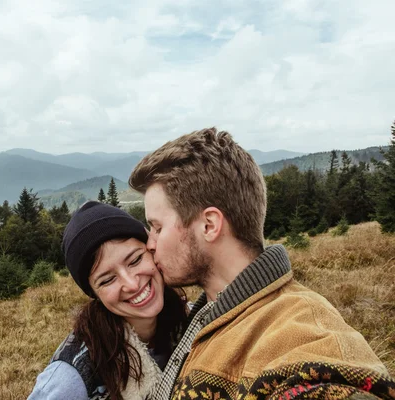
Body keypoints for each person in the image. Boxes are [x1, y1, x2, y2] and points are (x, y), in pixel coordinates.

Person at [128, 127, 395, 400]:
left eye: (157, 227)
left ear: (209, 225)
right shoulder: (212, 309)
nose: (150, 243)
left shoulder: (303, 335)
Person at [28, 201, 189, 400]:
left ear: (151, 250)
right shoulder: (71, 378)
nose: (131, 284)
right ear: (94, 294)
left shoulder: (192, 323)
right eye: (107, 279)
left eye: (135, 260)